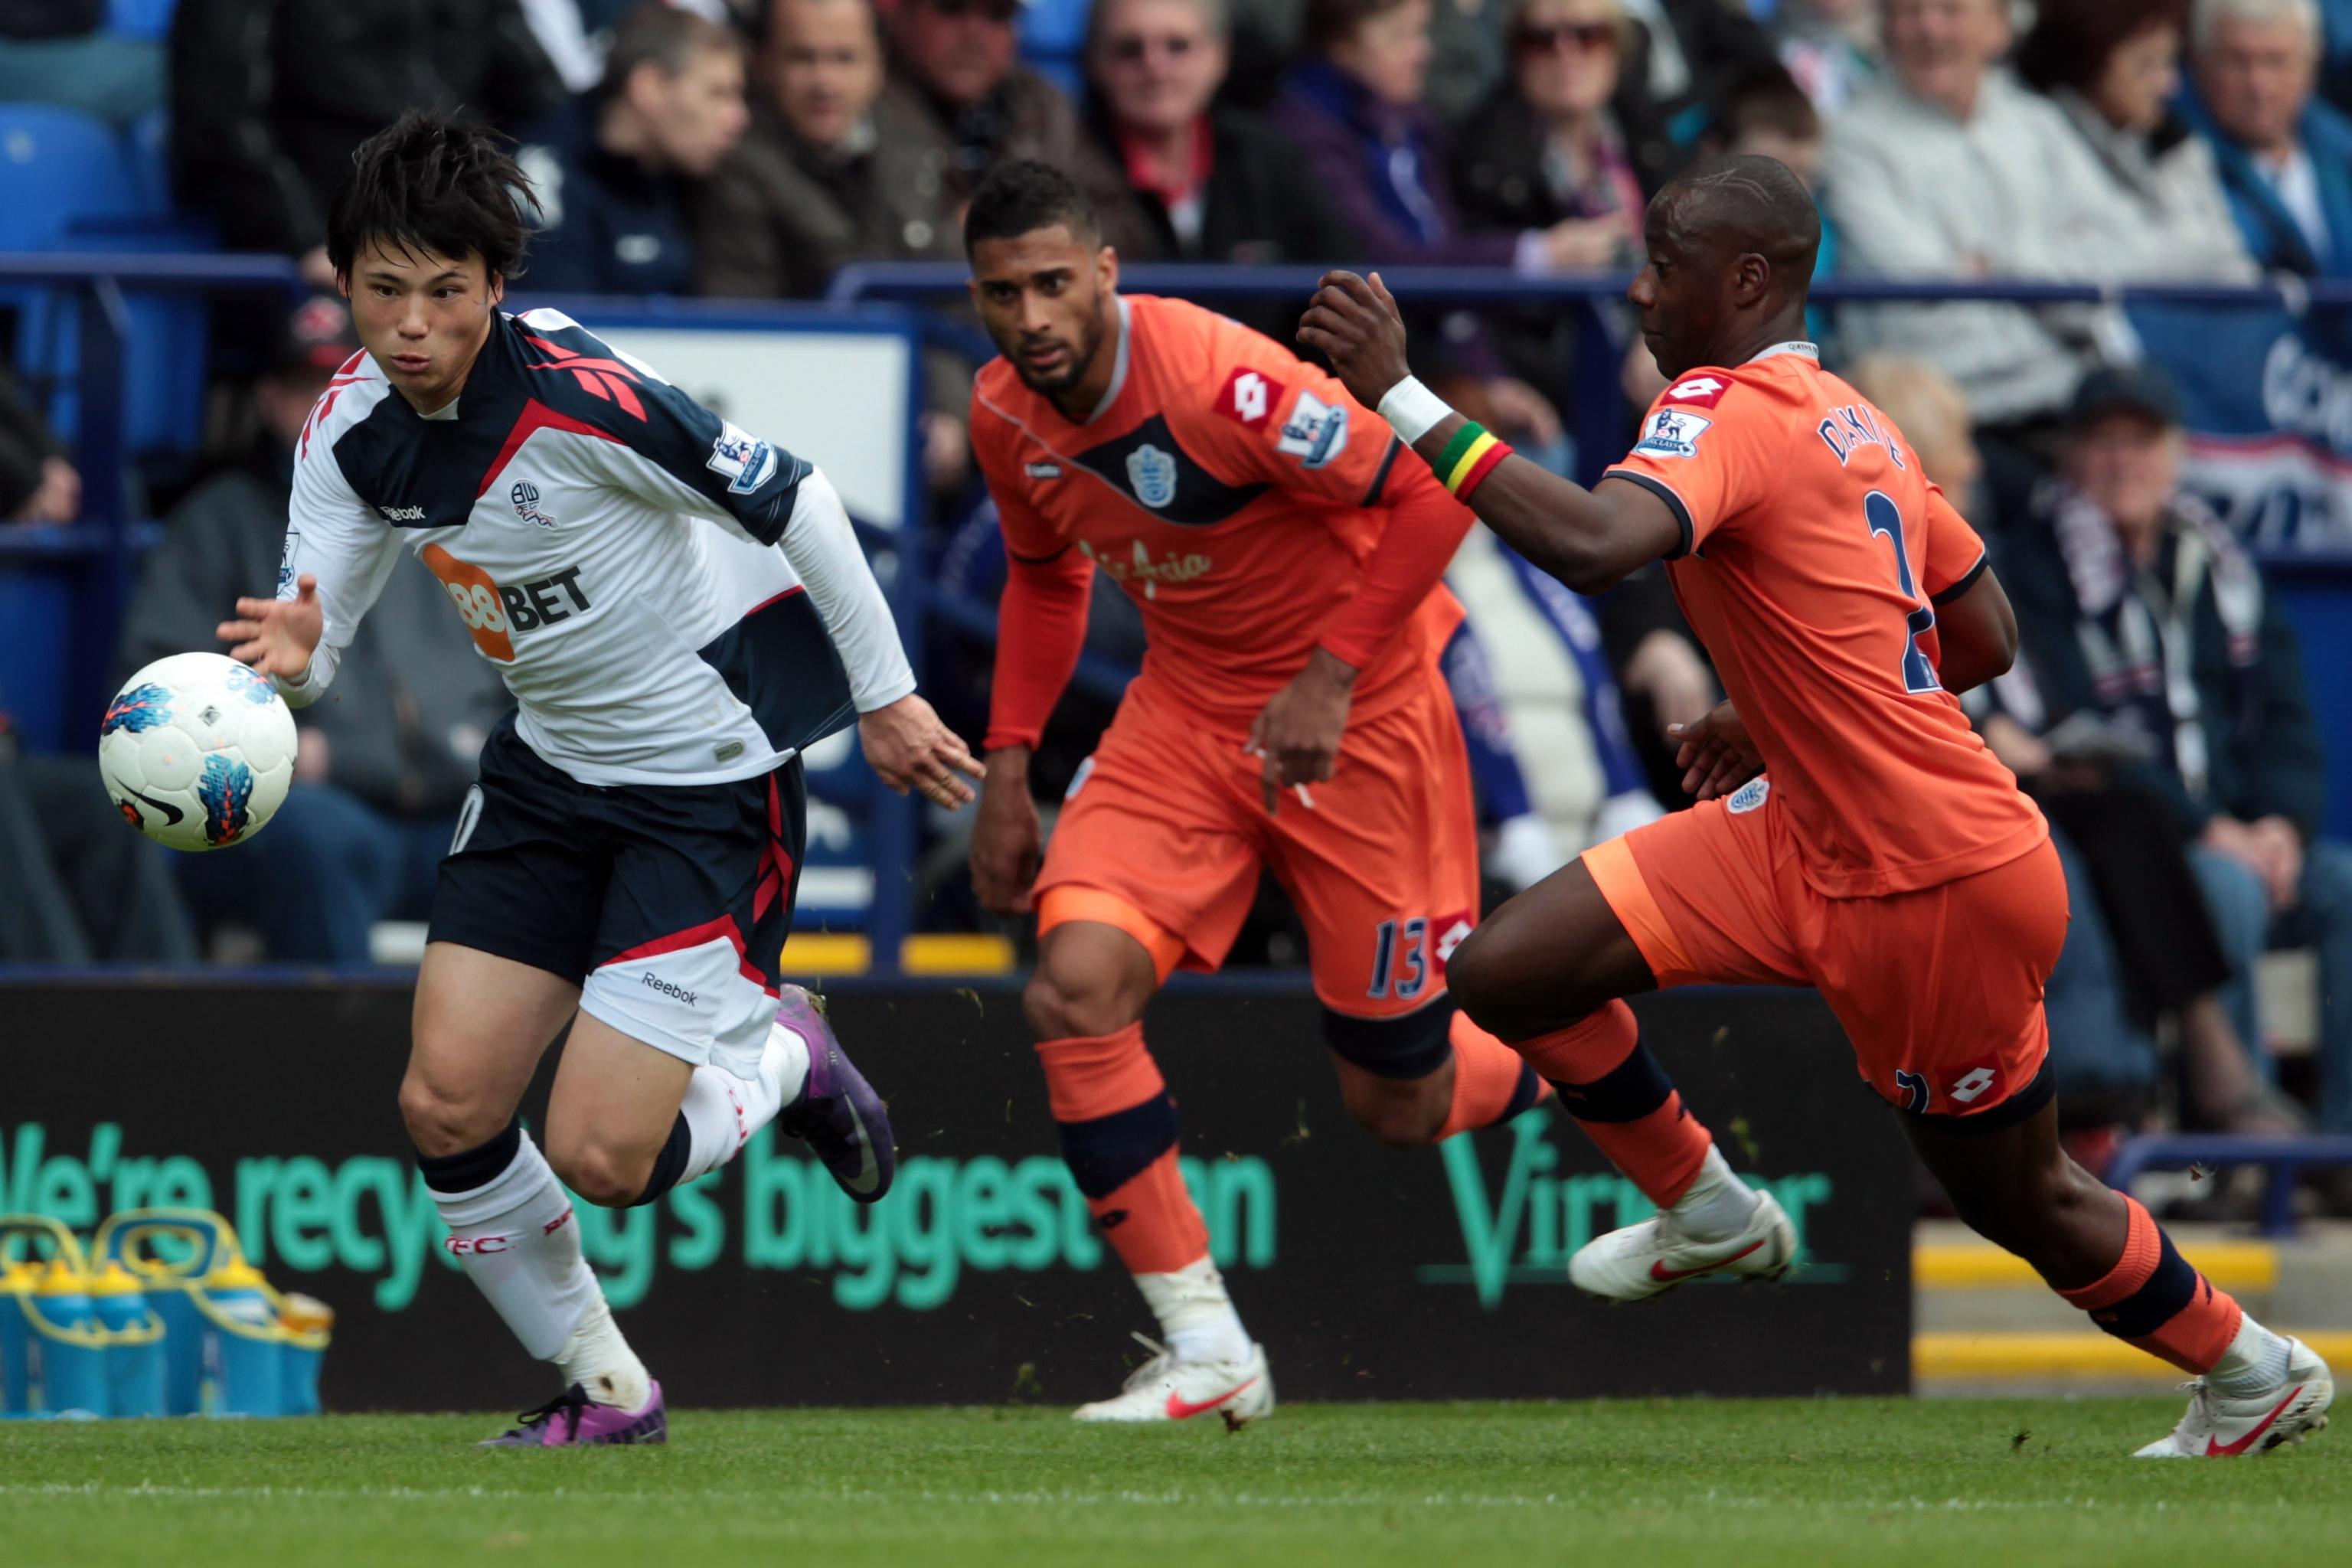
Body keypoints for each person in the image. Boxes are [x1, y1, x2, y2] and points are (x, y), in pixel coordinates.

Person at [1297, 154, 2334, 1456]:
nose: (1636, 286)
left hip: (1928, 874)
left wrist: (1396, 388)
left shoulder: (1721, 407)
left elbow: (1588, 542)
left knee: (2019, 1198)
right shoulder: (1854, 416)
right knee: (1512, 967)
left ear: (1742, 279)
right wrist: (1780, 707)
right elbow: (1984, 629)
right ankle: (1707, 1208)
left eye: (1662, 265)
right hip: (1806, 824)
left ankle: (2247, 1364)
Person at [216, 112, 978, 1446]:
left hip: (706, 790)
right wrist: (293, 652)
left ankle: (789, 1057)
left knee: (605, 1157)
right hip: (545, 779)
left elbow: (794, 499)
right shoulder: (346, 428)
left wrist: (889, 696)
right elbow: (315, 648)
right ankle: (606, 1388)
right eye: (381, 289)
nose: (410, 325)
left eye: (443, 293)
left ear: (493, 287)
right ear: (342, 282)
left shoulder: (580, 397)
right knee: (444, 1102)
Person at [963, 160, 1550, 1425]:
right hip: (1183, 716)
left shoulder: (1220, 381)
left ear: (1106, 270)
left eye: (1054, 283)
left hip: (1362, 714)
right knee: (1074, 986)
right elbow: (1042, 579)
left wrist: (1330, 674)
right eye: (1002, 294)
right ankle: (1205, 1343)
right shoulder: (1003, 413)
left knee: (1399, 1099)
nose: (1032, 319)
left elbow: (1428, 488)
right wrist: (1010, 767)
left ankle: (1578, 1053)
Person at [2001, 364, 2352, 1140]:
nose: (2124, 460)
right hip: (2147, 833)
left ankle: (2341, 1147)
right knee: (2222, 884)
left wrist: (2282, 830)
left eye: (2142, 440)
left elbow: (2288, 722)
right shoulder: (2030, 569)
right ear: (2069, 456)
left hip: (2247, 832)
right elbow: (2082, 736)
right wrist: (2212, 830)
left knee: (2346, 886)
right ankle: (2229, 1142)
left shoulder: (2222, 565)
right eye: (2102, 441)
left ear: (2176, 453)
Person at [117, 295, 514, 965]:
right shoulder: (219, 523)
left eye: (350, 387)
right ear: (271, 402)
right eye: (308, 389)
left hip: (453, 809)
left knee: (551, 838)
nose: (330, 410)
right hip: (305, 815)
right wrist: (283, 753)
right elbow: (150, 708)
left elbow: (532, 682)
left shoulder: (452, 515)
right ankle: (336, 1065)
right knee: (314, 837)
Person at [1823, 0, 2150, 432]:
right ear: (1885, 30)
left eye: (1950, 10)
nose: (1929, 30)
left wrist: (2005, 269)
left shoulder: (2038, 123)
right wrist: (2051, 288)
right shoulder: (1851, 139)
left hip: (2066, 389)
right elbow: (1918, 283)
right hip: (1935, 412)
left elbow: (2127, 254)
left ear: (1998, 28)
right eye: (1908, 12)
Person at [1271, 0, 1566, 453]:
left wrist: (1491, 379)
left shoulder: (1412, 122)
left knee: (1553, 450)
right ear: (1342, 46)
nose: (1422, 52)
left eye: (1421, 34)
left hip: (1449, 371)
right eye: (1401, 37)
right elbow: (1382, 266)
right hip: (1371, 390)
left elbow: (1447, 255)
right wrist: (1537, 255)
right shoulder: (1303, 134)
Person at [170, 0, 564, 286]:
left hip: (456, 232)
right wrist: (306, 242)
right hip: (318, 239)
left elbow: (540, 98)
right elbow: (221, 118)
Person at [1084, 0, 1357, 340]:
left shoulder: (1272, 159)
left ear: (1220, 56)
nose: (1155, 66)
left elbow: (1344, 289)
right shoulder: (1069, 172)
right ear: (1096, 63)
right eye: (1129, 50)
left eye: (1178, 46)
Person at [518, 3, 750, 297]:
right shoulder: (544, 180)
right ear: (649, 87)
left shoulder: (693, 179)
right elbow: (553, 332)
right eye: (718, 94)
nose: (739, 118)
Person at [881, 0, 1151, 252]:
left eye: (998, 14)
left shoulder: (1044, 107)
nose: (974, 35)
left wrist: (1037, 228)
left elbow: (1125, 237)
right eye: (952, 9)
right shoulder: (864, 104)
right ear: (903, 17)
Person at [2017, 0, 2256, 283]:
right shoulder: (2035, 142)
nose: (2168, 84)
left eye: (2169, 62)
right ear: (2090, 61)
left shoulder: (2175, 144)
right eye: (2146, 64)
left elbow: (2236, 271)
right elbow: (2055, 276)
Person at [2182, 0, 2352, 277]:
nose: (2259, 84)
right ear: (2199, 61)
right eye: (2237, 61)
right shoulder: (2173, 162)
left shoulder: (2343, 155)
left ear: (2311, 63)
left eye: (2276, 61)